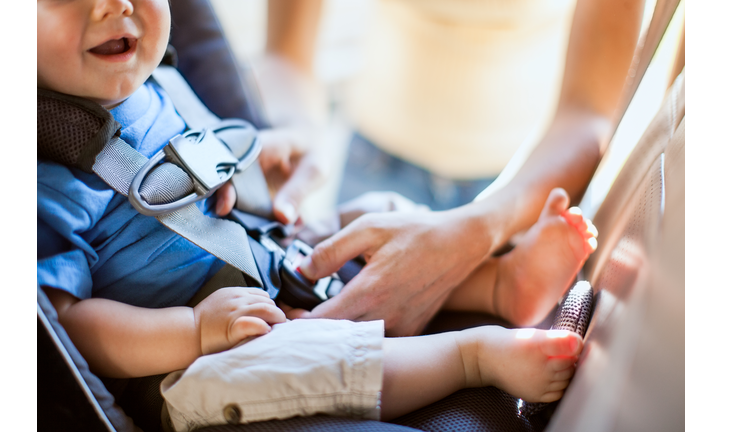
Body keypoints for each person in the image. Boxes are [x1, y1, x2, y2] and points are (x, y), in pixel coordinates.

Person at [36, 0, 595, 427]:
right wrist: (194, 332)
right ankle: (470, 357)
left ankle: (501, 283)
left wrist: (258, 152)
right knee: (298, 356)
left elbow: (211, 153)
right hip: (184, 362)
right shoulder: (41, 175)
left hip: (262, 256)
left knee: (373, 217)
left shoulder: (160, 85)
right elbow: (69, 328)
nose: (115, 6)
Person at [264, 0, 644, 336]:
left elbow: (589, 114)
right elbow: (286, 55)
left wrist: (480, 226)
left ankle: (504, 282)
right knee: (340, 299)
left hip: (525, 194)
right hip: (375, 170)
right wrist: (295, 130)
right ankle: (503, 283)